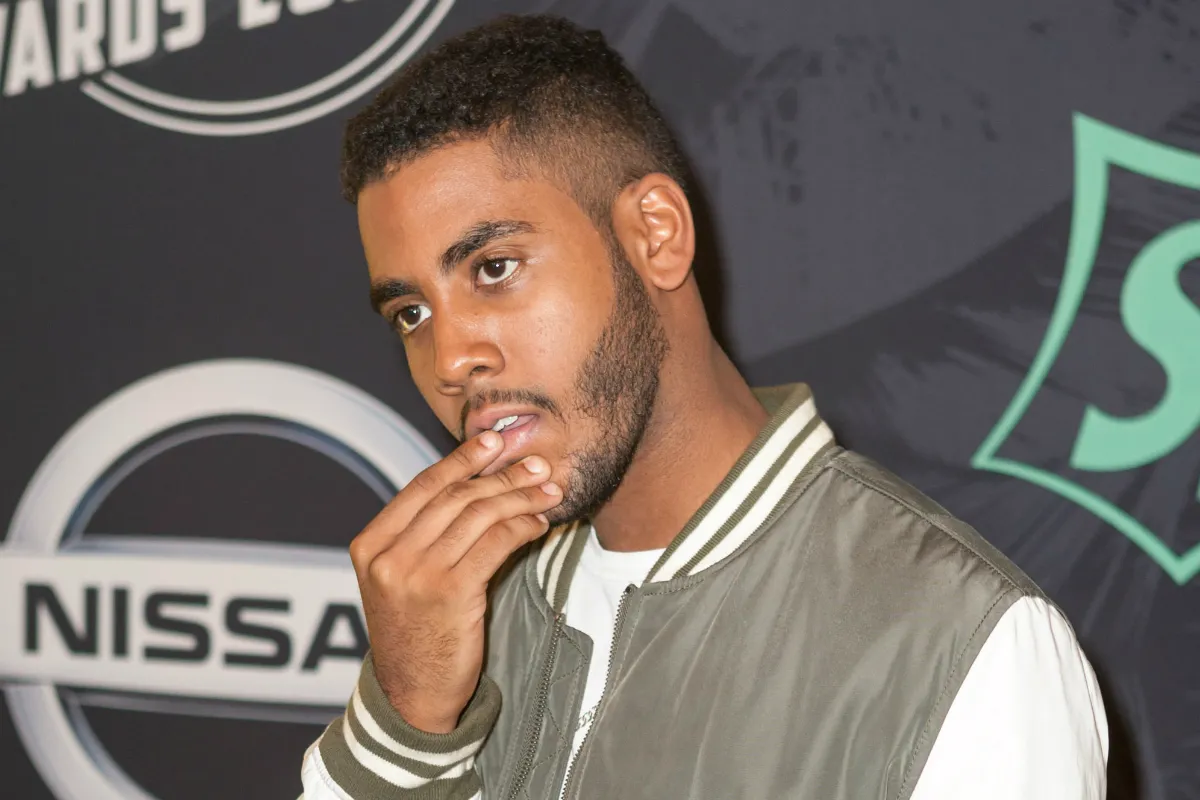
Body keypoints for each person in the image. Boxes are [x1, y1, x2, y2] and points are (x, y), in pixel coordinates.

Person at [300, 14, 1108, 800]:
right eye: (411, 313)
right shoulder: (462, 609)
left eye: (495, 267)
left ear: (655, 235)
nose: (450, 359)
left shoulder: (963, 641)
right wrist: (404, 724)